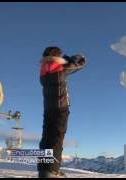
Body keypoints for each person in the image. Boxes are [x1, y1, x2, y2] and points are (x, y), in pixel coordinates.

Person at [37, 46, 86, 178]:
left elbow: (59, 65)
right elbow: (80, 63)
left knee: (47, 137)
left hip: (48, 108)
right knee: (57, 138)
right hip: (61, 108)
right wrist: (78, 57)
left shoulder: (43, 70)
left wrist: (64, 60)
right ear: (57, 56)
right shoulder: (60, 68)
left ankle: (44, 169)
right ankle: (52, 171)